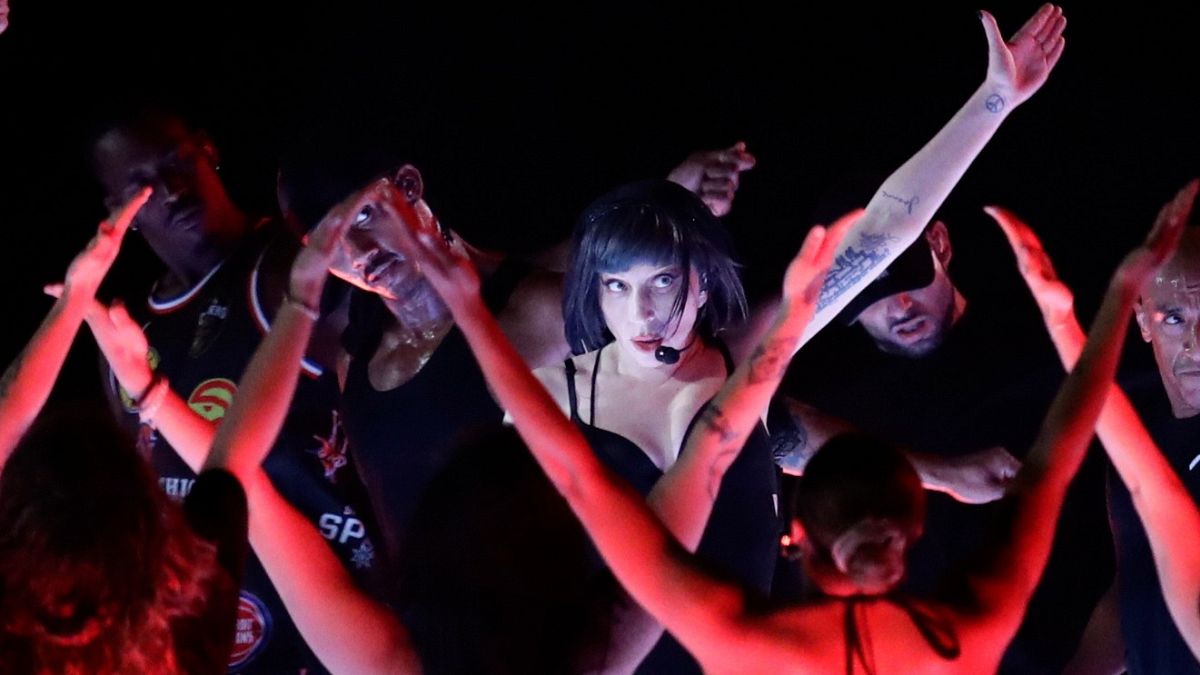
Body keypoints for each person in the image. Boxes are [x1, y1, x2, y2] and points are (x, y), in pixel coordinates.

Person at [404, 97, 1184, 673]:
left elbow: (880, 237)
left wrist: (993, 100)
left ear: (701, 282)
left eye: (663, 282)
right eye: (617, 286)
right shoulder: (560, 394)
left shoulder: (738, 375)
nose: (643, 313)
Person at [89, 106, 373, 673]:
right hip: (214, 639)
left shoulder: (294, 267)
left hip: (340, 626)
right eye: (142, 184)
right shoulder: (124, 333)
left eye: (176, 161)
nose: (172, 189)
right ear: (116, 209)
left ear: (207, 149)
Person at [0, 190, 247, 674]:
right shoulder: (187, 638)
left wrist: (76, 293)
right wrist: (143, 383)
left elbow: (9, 407)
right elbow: (234, 470)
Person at [988, 181, 1200, 673]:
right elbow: (1130, 586)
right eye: (1174, 318)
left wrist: (1067, 324)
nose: (1196, 343)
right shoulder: (1141, 444)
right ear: (1144, 322)